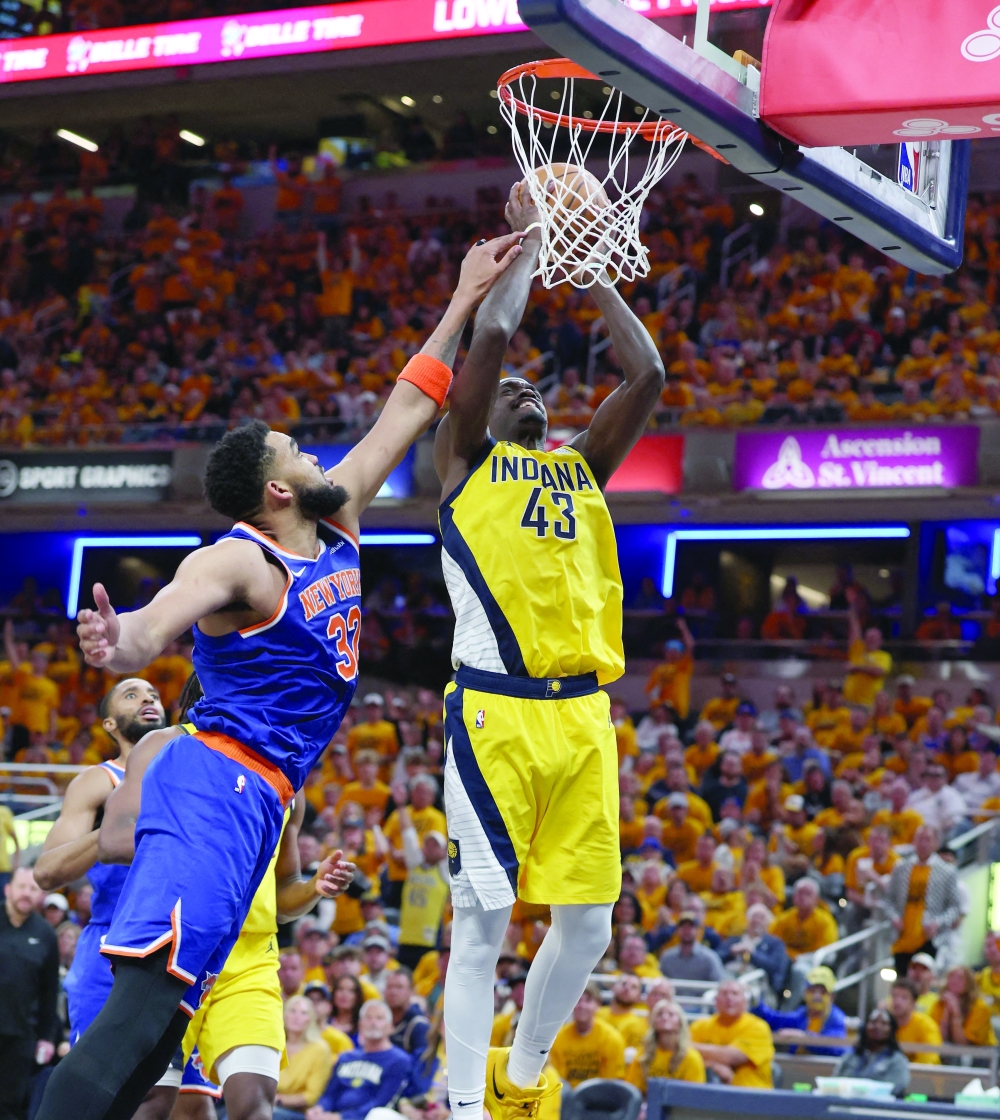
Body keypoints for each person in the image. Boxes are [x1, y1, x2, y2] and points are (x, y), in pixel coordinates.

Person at [39, 234, 527, 1120]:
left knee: (158, 1038)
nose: (313, 455)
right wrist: (122, 643)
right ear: (275, 492)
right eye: (297, 451)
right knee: (135, 1020)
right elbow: (155, 622)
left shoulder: (338, 520)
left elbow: (409, 406)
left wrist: (463, 297)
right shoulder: (238, 561)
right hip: (214, 785)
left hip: (260, 800)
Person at [432, 180, 665, 1120]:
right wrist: (535, 238)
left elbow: (646, 375)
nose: (526, 387)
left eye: (537, 387)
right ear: (474, 413)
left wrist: (594, 265)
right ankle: (462, 1109)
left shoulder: (579, 468)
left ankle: (521, 1078)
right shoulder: (464, 464)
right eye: (508, 389)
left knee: (592, 929)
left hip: (583, 720)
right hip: (495, 712)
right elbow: (492, 333)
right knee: (481, 927)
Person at [97, 671, 355, 1120]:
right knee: (153, 1103)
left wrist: (315, 887)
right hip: (178, 943)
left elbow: (283, 895)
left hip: (249, 959)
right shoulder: (171, 747)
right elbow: (114, 841)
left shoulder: (287, 779)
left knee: (253, 1105)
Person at [0, 867, 59, 1120]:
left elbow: (49, 992)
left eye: (33, 889)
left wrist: (46, 1037)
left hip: (21, 1035)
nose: (26, 893)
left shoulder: (46, 934)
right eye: (21, 887)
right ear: (7, 889)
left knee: (10, 1106)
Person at [303, 1000, 412, 1120]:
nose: (373, 1023)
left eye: (379, 1018)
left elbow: (383, 1102)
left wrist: (341, 1117)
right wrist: (319, 1109)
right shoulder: (345, 1058)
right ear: (360, 1025)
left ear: (391, 1027)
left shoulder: (399, 1061)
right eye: (368, 1018)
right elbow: (330, 1094)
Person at [885, 825, 962, 973]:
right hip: (902, 937)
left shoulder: (947, 871)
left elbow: (954, 907)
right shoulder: (901, 868)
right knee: (902, 979)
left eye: (927, 839)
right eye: (919, 839)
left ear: (935, 844)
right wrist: (894, 917)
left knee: (924, 980)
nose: (923, 844)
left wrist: (937, 923)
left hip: (929, 939)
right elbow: (888, 900)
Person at [689, 980, 774, 1088]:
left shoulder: (758, 1027)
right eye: (724, 993)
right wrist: (712, 1065)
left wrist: (693, 1049)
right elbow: (682, 1055)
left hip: (752, 1093)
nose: (729, 998)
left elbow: (731, 1057)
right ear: (716, 1000)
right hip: (707, 1093)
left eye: (735, 993)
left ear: (745, 1001)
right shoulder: (699, 1026)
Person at [751, 966, 848, 1055]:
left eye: (823, 992)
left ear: (831, 997)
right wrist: (756, 1003)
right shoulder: (801, 1016)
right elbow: (773, 1020)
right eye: (812, 990)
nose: (816, 996)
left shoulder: (837, 1019)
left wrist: (805, 1037)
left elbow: (837, 1047)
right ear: (805, 993)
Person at [397, 817, 450, 971]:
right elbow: (408, 837)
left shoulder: (444, 872)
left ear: (444, 851)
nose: (431, 848)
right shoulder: (414, 866)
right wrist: (401, 808)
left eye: (436, 845)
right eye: (428, 844)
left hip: (429, 940)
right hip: (406, 938)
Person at [548, 984, 626, 1087]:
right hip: (565, 1094)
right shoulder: (558, 1038)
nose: (582, 1005)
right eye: (578, 1000)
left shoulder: (611, 1038)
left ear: (598, 1005)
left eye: (588, 1001)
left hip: (600, 1094)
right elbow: (555, 1081)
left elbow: (612, 1083)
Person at [272, 996, 335, 1118]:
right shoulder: (275, 1044)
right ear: (284, 1015)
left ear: (311, 1019)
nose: (297, 1017)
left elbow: (311, 1096)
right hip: (268, 1104)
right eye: (292, 1011)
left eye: (303, 1013)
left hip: (299, 1112)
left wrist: (279, 1100)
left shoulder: (320, 1049)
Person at [626, 999, 706, 1092]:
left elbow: (695, 1094)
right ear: (653, 1022)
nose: (664, 1017)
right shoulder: (643, 1055)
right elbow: (632, 1091)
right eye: (659, 1014)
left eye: (671, 1014)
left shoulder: (691, 1057)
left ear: (680, 1023)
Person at [833, 1008, 910, 1096]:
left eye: (884, 1023)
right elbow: (835, 1083)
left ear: (891, 1029)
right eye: (873, 1022)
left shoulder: (897, 1061)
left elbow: (896, 1088)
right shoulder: (850, 1057)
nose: (877, 1026)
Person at [721, 903, 789, 995]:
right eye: (754, 917)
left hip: (758, 981)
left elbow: (775, 968)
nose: (757, 921)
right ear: (747, 920)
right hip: (729, 975)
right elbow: (717, 959)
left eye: (761, 918)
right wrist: (731, 952)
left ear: (767, 923)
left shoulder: (775, 943)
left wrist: (753, 953)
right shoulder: (734, 940)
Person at [930, 966, 997, 1046]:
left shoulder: (980, 1006)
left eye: (960, 978)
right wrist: (946, 1013)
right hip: (950, 1050)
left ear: (969, 983)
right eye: (951, 976)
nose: (954, 981)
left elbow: (964, 1044)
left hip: (983, 1050)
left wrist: (955, 1014)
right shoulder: (940, 1003)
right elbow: (937, 1039)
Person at [658, 910, 725, 982]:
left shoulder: (709, 958)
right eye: (683, 927)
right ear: (677, 930)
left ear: (698, 930)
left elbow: (719, 982)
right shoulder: (667, 957)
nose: (686, 930)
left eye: (690, 927)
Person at [890, 978, 942, 1064]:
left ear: (914, 1003)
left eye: (904, 998)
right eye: (894, 996)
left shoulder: (926, 1025)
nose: (897, 1002)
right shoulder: (885, 1024)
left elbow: (930, 1060)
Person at [385, 970, 430, 1059]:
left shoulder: (419, 1025)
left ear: (411, 991)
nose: (393, 992)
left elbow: (422, 1063)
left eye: (399, 987)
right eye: (389, 987)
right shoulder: (378, 1019)